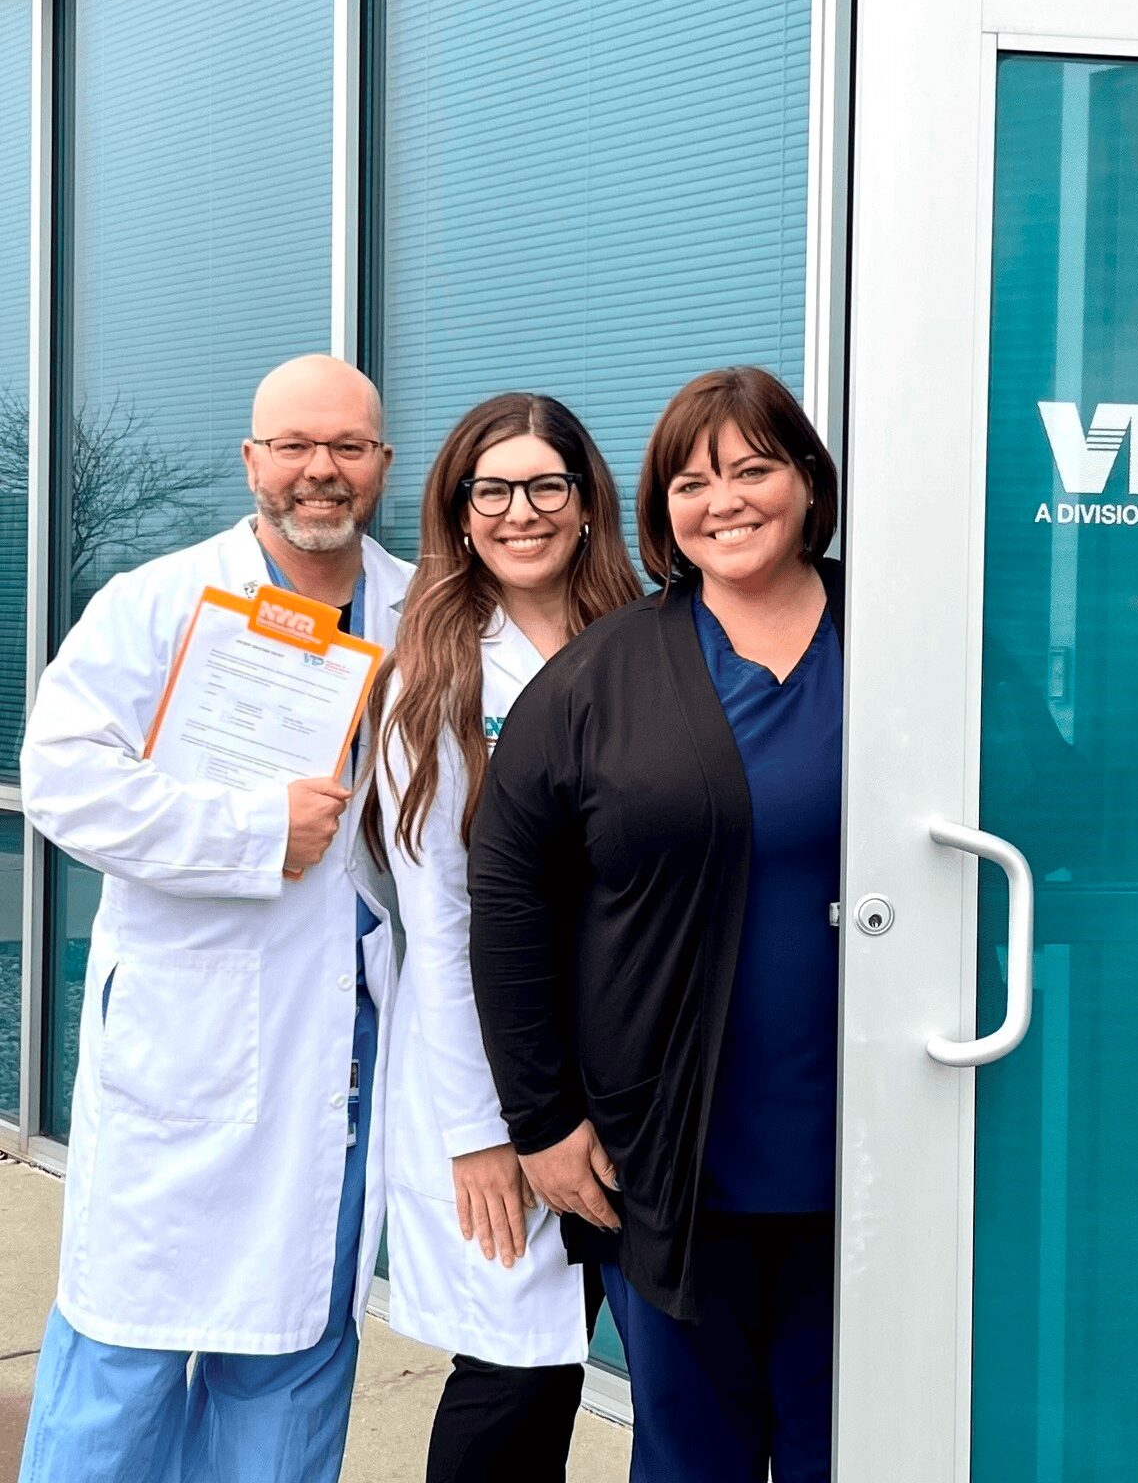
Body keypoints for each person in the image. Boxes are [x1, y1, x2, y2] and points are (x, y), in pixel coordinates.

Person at [18, 354, 412, 1483]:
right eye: (294, 446)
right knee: (120, 1362)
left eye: (346, 448)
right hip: (183, 1048)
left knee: (293, 1360)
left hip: (337, 1055)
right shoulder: (156, 602)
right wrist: (250, 831)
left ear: (381, 465)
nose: (319, 472)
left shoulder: (422, 609)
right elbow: (63, 783)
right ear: (253, 460)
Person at [467, 366, 843, 1483]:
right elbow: (510, 901)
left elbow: (1041, 816)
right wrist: (540, 1119)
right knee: (693, 1454)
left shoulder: (918, 646)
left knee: (857, 1443)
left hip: (878, 1148)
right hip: (671, 1164)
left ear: (809, 484)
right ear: (659, 511)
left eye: (752, 469)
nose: (723, 500)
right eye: (690, 480)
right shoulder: (600, 678)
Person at [362, 392, 640, 1481]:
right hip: (495, 1073)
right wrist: (486, 1128)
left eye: (545, 485)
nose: (519, 511)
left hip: (630, 1056)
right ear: (459, 511)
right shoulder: (431, 669)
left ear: (584, 503)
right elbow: (439, 916)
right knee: (517, 1366)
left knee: (628, 1358)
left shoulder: (647, 637)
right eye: (493, 489)